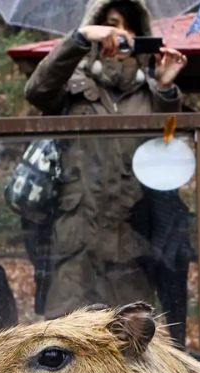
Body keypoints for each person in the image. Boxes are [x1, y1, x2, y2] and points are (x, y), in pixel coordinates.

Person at [23, 0, 187, 318]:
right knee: (65, 347)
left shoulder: (150, 95)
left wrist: (166, 89)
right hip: (73, 248)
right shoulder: (72, 87)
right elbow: (37, 91)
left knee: (131, 349)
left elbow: (169, 149)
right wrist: (81, 37)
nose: (120, 34)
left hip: (130, 252)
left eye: (129, 27)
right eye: (112, 23)